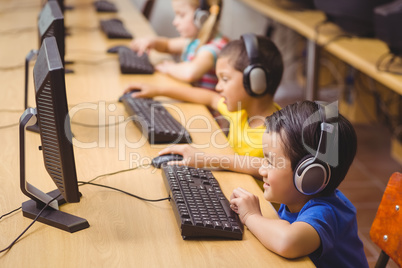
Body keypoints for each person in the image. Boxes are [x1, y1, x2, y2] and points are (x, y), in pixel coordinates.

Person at [229, 101, 369, 268]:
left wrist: (251, 216)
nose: (262, 170)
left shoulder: (324, 213)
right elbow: (257, 165)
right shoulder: (301, 194)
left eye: (271, 162)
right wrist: (208, 160)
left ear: (310, 175)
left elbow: (287, 242)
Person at [125, 33, 284, 162]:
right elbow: (210, 98)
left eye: (225, 79)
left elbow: (266, 167)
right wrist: (158, 90)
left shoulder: (278, 135)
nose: (218, 86)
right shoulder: (242, 111)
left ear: (255, 82)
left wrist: (209, 159)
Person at [130, 0, 228, 91]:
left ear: (201, 18)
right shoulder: (195, 40)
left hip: (203, 109)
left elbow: (190, 73)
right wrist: (152, 42)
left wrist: (169, 68)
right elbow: (167, 45)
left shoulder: (212, 48)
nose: (175, 22)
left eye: (181, 15)